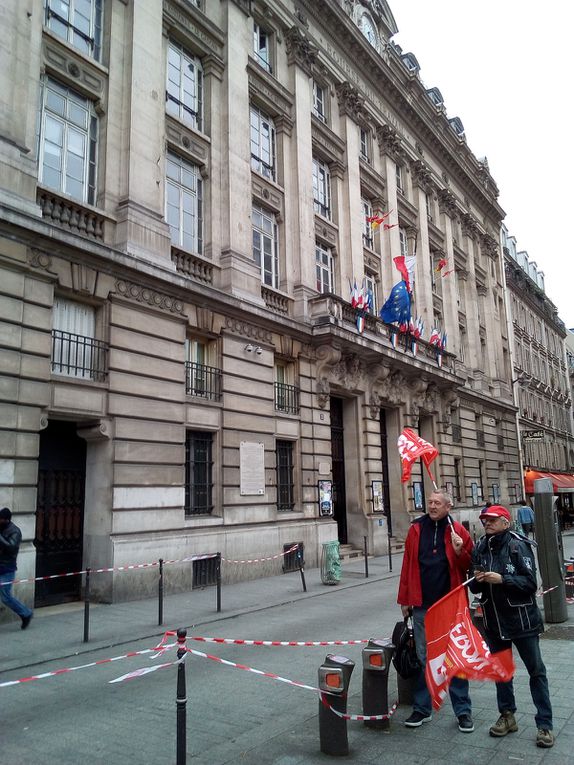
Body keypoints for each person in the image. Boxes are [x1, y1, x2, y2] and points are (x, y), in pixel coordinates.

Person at [469, 504, 553, 749]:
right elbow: (474, 587)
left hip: (522, 621)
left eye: (492, 520)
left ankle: (544, 725)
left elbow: (530, 583)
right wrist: (477, 576)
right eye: (485, 519)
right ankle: (507, 716)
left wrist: (502, 579)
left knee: (536, 671)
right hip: (494, 622)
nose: (487, 523)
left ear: (506, 522)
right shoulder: (481, 547)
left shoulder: (518, 544)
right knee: (502, 672)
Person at [397, 490, 474, 732]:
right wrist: (405, 600)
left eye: (437, 503)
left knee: (455, 657)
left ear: (448, 506)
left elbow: (469, 566)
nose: (432, 506)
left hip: (451, 606)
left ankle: (463, 711)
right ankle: (422, 708)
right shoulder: (416, 529)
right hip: (423, 606)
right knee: (424, 658)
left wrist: (461, 551)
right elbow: (408, 564)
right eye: (429, 502)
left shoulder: (457, 531)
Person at [0, 507, 33, 629]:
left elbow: (12, 547)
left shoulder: (15, 531)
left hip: (6, 568)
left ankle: (26, 613)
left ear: (6, 520)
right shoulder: (2, 528)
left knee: (5, 597)